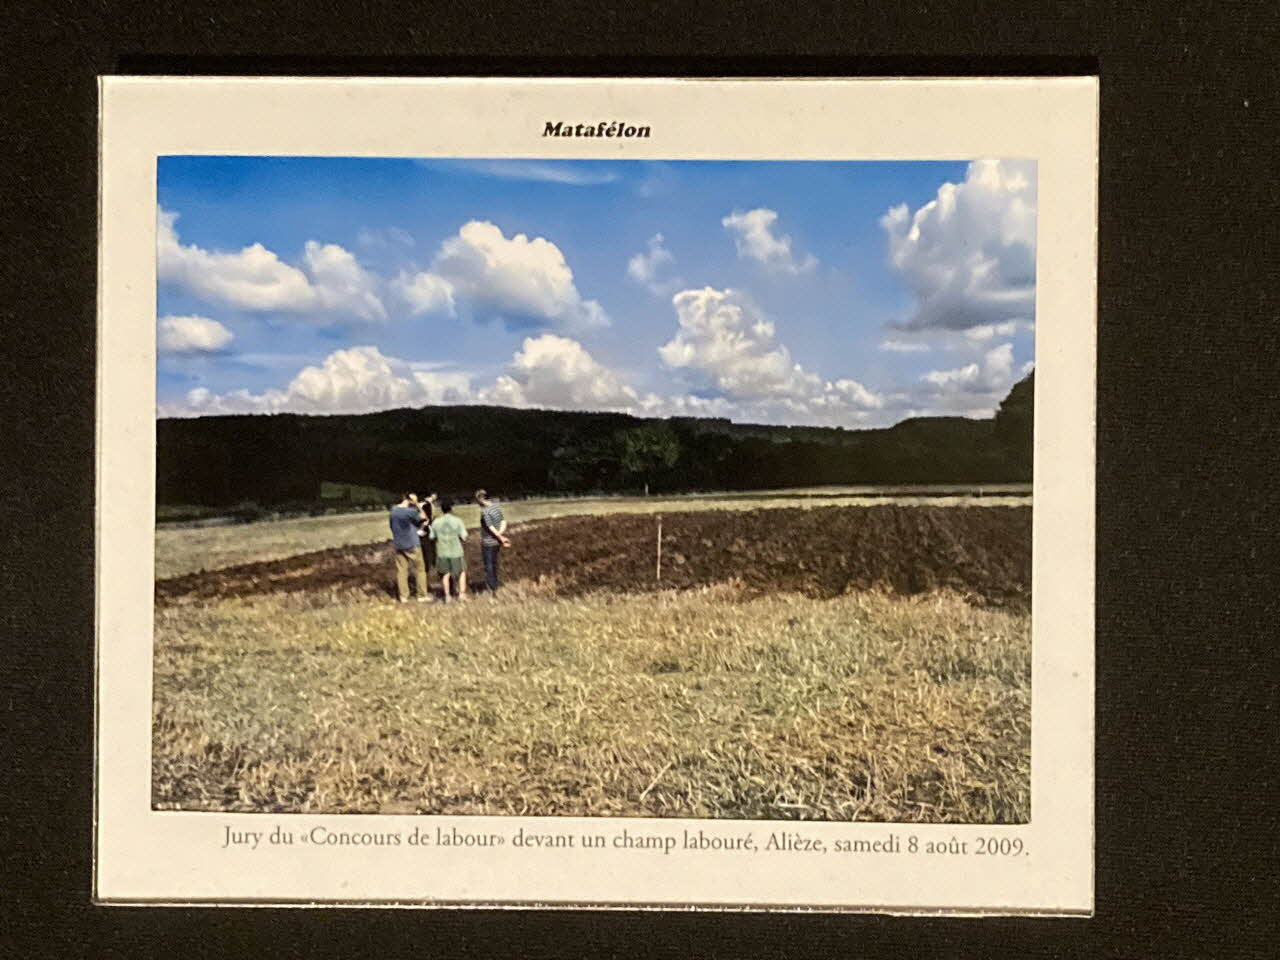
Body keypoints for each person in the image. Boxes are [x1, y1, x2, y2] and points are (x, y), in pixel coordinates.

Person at [388, 493, 428, 603]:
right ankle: (422, 595)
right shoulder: (410, 512)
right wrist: (418, 506)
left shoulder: (393, 511)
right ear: (409, 500)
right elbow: (423, 517)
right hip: (412, 543)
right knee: (420, 569)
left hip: (398, 543)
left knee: (401, 571)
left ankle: (403, 596)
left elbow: (392, 526)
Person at [428, 497, 468, 602]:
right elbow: (464, 536)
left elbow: (431, 537)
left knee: (445, 574)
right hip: (456, 551)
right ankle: (461, 594)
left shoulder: (436, 522)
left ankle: (447, 596)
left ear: (441, 509)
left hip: (442, 551)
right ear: (451, 509)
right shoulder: (458, 521)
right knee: (461, 572)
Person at [475, 488, 511, 594]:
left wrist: (500, 537)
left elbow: (490, 527)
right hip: (496, 542)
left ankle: (492, 588)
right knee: (494, 563)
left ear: (481, 499)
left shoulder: (485, 512)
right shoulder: (497, 507)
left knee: (489, 565)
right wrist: (501, 535)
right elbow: (503, 521)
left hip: (488, 542)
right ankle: (495, 583)